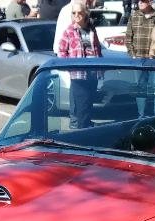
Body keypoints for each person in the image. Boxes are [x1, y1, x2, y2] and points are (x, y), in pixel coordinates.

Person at [57, 1, 102, 129]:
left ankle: (86, 129)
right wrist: (70, 66)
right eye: (74, 13)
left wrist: (100, 67)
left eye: (79, 12)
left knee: (88, 105)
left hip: (93, 73)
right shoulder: (69, 31)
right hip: (78, 74)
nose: (76, 15)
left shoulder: (92, 29)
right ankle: (82, 133)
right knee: (81, 106)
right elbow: (61, 51)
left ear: (85, 14)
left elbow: (97, 48)